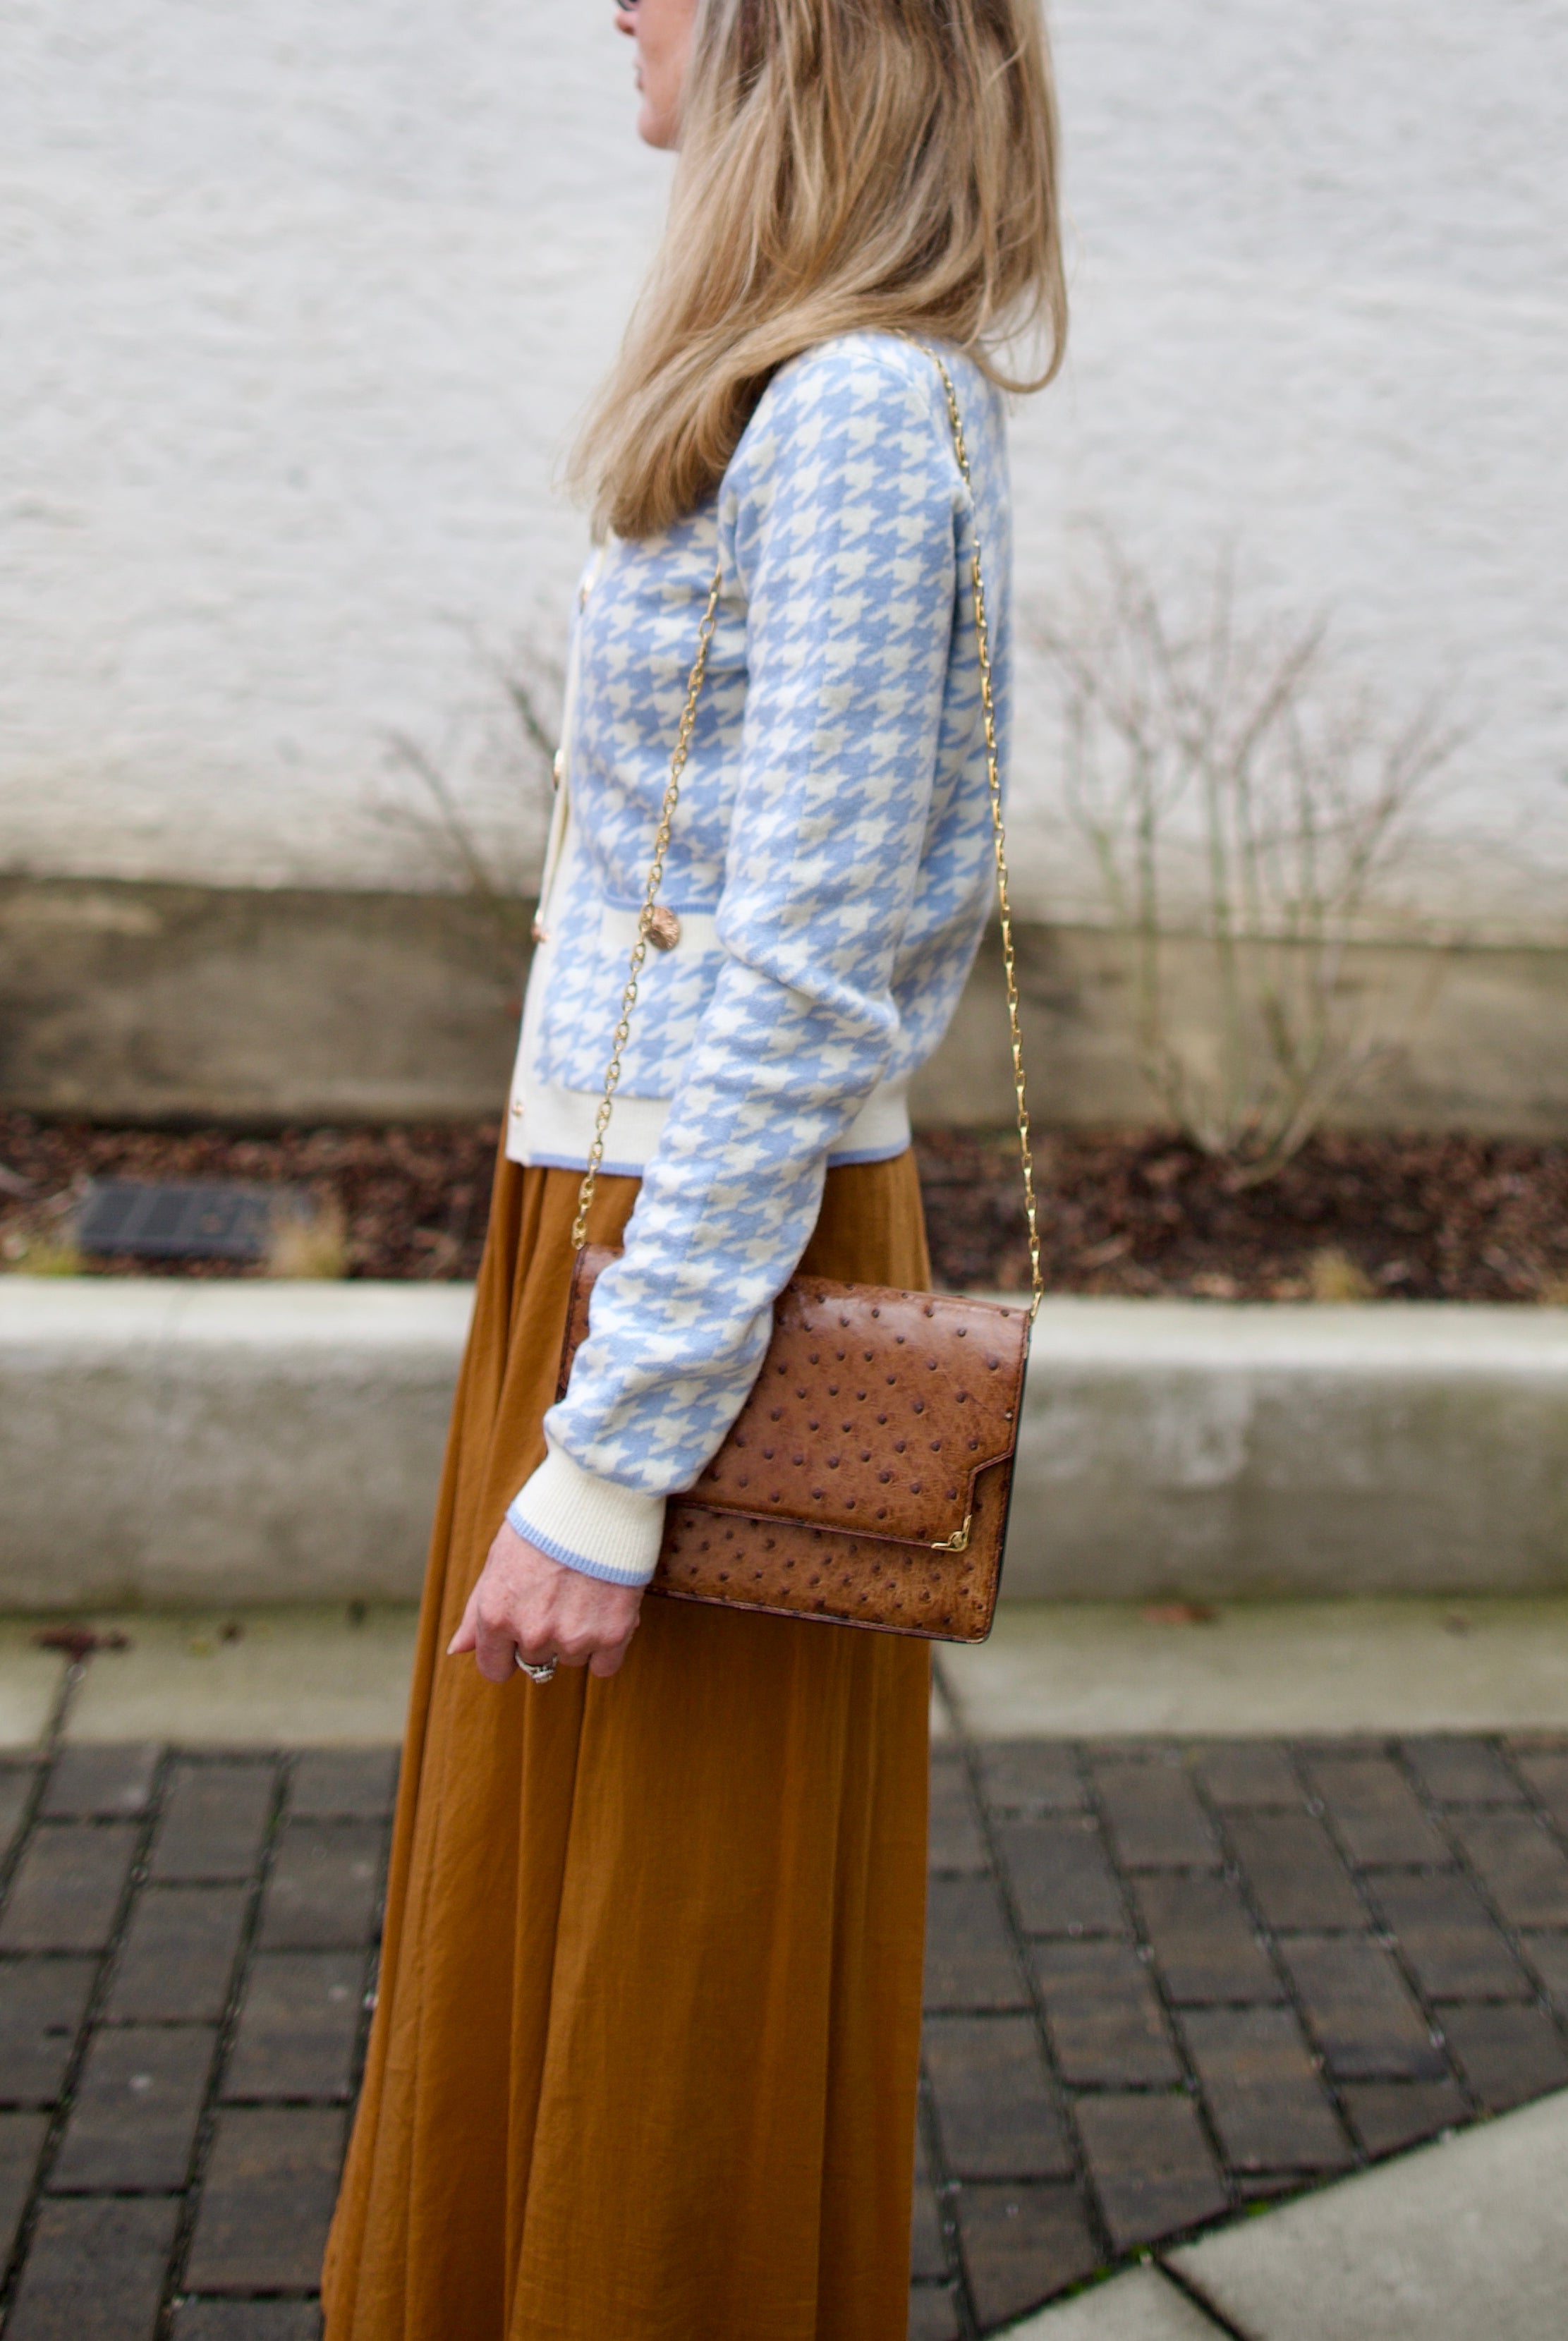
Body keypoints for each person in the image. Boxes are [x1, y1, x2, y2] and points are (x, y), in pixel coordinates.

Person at [322, 0, 1064, 2329]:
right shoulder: (819, 385)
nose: (617, 7)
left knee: (656, 1970)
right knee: (574, 1924)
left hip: (695, 1265)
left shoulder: (849, 408)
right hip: (641, 1229)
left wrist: (620, 1453)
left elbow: (808, 967)